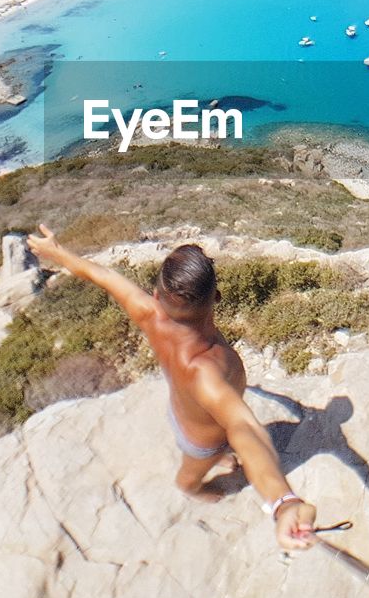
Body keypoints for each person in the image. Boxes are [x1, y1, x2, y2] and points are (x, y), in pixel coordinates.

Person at [25, 225, 317, 550]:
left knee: (218, 446)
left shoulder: (147, 313)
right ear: (216, 298)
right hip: (201, 442)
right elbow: (244, 426)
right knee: (189, 476)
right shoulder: (205, 370)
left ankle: (220, 458)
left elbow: (102, 275)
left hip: (182, 411)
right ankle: (195, 489)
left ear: (155, 296)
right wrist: (283, 502)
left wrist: (57, 252)